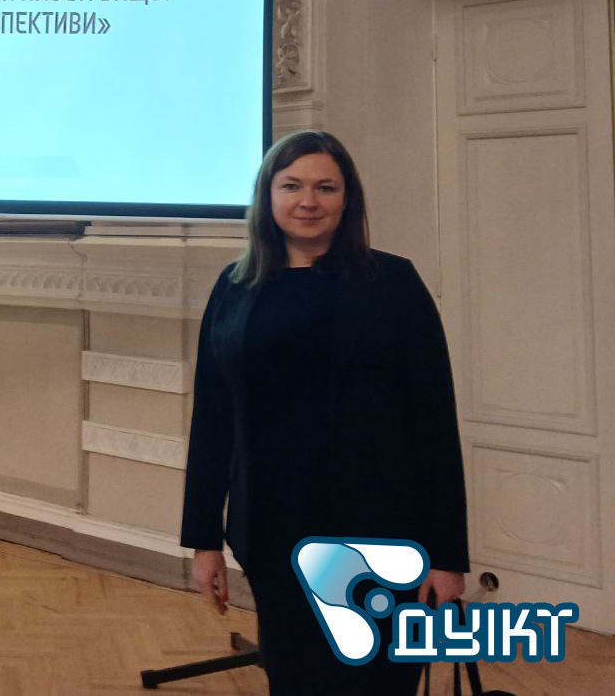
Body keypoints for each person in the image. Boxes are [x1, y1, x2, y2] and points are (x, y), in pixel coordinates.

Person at [180, 130, 468, 695]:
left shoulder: (393, 284)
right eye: (291, 186)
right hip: (274, 531)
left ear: (347, 198)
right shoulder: (234, 287)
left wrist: (447, 555)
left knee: (378, 682)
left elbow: (434, 424)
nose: (307, 201)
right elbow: (213, 422)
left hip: (381, 530)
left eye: (325, 187)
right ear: (267, 196)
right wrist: (204, 539)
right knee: (295, 677)